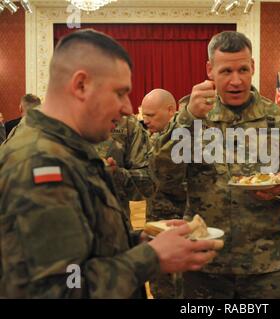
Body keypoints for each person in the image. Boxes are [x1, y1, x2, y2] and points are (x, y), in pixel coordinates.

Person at [0, 29, 221, 298]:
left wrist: (141, 240)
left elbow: (84, 245)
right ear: (81, 85)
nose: (129, 108)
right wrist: (151, 257)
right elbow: (60, 290)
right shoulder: (39, 163)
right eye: (119, 93)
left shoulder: (67, 148)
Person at [150, 31, 280, 298]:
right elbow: (160, 177)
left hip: (266, 267)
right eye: (226, 71)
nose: (236, 80)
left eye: (243, 69)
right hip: (202, 263)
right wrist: (187, 120)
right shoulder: (193, 118)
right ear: (210, 70)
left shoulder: (279, 122)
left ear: (253, 67)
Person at [141, 88, 186, 299]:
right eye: (144, 115)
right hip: (157, 225)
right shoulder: (155, 136)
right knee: (160, 286)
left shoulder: (185, 135)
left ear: (170, 110)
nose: (145, 120)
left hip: (181, 224)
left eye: (150, 115)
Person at [94, 114, 154, 220]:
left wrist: (117, 173)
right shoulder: (64, 118)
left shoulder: (127, 123)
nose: (127, 107)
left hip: (122, 218)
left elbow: (146, 180)